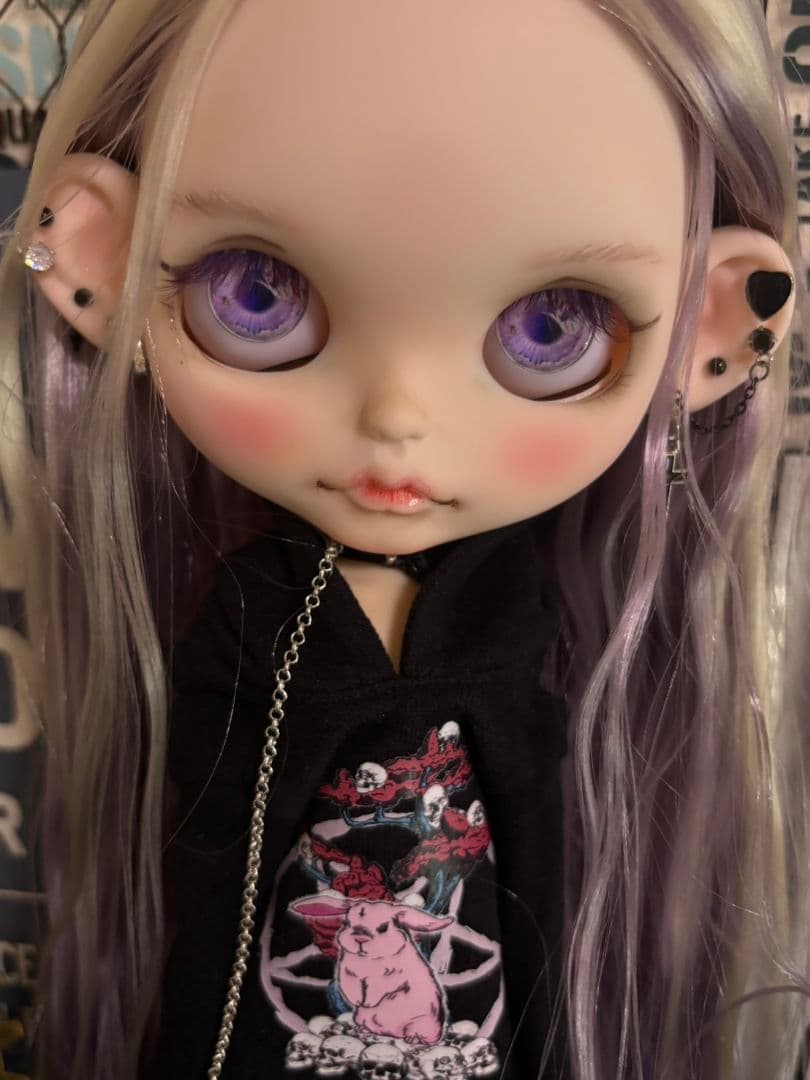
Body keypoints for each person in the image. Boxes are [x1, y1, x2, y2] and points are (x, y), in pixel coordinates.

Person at [0, 0, 807, 1077]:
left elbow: (535, 844)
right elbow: (217, 858)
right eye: (256, 295)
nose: (397, 420)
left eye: (551, 329)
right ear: (99, 263)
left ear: (713, 331)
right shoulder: (261, 612)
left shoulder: (510, 610)